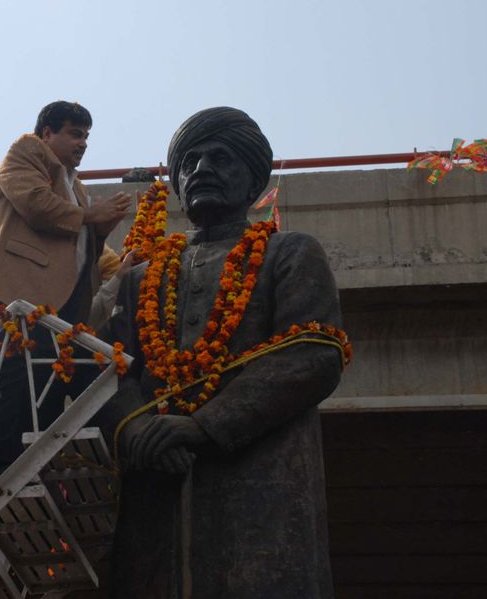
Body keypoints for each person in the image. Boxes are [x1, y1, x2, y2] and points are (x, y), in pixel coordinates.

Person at [97, 107, 346, 598]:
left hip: (261, 492)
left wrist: (204, 425)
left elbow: (314, 353)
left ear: (254, 180)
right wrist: (139, 430)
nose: (201, 169)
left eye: (220, 158)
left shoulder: (290, 253)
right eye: (188, 161)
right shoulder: (137, 279)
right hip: (155, 492)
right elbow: (105, 370)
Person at [0, 100, 132, 483]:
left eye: (86, 136)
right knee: (6, 368)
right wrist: (90, 216)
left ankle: (18, 463)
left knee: (50, 378)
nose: (82, 143)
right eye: (74, 133)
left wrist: (100, 229)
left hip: (51, 306)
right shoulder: (27, 151)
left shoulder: (78, 189)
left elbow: (81, 253)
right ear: (46, 133)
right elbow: (33, 204)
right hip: (7, 288)